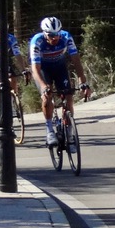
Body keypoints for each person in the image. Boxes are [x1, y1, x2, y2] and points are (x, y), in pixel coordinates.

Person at [29, 16, 91, 146]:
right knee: (47, 97)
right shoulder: (37, 41)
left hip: (59, 67)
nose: (55, 37)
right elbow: (35, 68)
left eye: (57, 34)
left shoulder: (66, 37)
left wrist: (83, 82)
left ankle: (69, 132)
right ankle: (49, 130)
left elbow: (76, 60)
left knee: (69, 97)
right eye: (51, 35)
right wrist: (44, 86)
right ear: (45, 33)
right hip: (43, 69)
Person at [0, 19, 22, 132]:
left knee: (13, 78)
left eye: (4, 32)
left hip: (3, 63)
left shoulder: (11, 39)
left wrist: (24, 69)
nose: (3, 36)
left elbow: (17, 55)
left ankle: (12, 103)